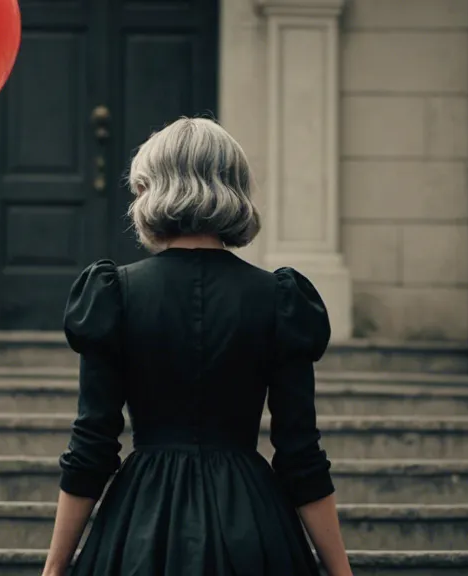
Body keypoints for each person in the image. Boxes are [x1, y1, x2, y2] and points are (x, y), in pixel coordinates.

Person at [41, 117, 352, 576]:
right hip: (252, 522)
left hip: (141, 525)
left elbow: (92, 444)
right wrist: (342, 572)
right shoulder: (280, 300)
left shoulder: (114, 294)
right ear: (234, 188)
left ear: (152, 187)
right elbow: (299, 453)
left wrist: (53, 569)